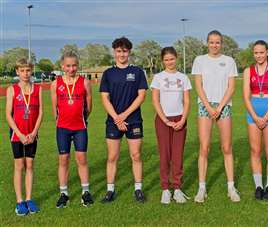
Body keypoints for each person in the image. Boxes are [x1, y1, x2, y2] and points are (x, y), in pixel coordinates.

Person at [192, 30, 240, 203]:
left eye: (218, 42)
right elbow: (198, 86)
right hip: (205, 106)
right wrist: (208, 106)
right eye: (211, 42)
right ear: (207, 43)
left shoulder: (229, 61)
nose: (214, 45)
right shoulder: (199, 60)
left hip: (223, 106)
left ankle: (231, 187)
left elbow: (231, 87)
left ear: (222, 43)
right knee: (204, 147)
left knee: (226, 148)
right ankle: (201, 188)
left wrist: (219, 107)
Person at [100, 37, 148, 203]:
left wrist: (124, 115)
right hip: (113, 121)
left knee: (135, 155)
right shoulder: (108, 73)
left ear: (129, 52)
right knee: (112, 156)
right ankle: (110, 190)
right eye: (119, 51)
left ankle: (138, 189)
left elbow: (141, 96)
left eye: (125, 51)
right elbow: (105, 99)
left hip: (133, 120)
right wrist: (116, 118)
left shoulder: (137, 72)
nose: (122, 54)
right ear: (114, 52)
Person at [50, 51, 93, 208]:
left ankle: (85, 192)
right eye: (68, 66)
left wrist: (81, 119)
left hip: (80, 127)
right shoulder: (56, 83)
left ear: (78, 65)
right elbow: (54, 108)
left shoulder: (85, 82)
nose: (71, 68)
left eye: (74, 65)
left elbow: (89, 106)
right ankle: (64, 193)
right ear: (62, 66)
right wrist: (60, 121)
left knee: (81, 159)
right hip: (62, 128)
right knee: (63, 160)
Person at [151, 47, 192, 204]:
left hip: (179, 119)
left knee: (177, 155)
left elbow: (187, 101)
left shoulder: (183, 77)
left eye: (172, 59)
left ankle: (177, 188)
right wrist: (166, 120)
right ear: (163, 61)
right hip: (163, 120)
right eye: (166, 60)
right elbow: (155, 100)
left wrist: (182, 119)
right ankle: (165, 189)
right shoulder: (158, 77)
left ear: (176, 58)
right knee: (165, 154)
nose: (169, 62)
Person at [243, 40, 268, 200]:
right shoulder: (248, 71)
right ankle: (258, 185)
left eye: (261, 52)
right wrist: (255, 116)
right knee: (255, 151)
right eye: (256, 52)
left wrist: (265, 117)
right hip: (253, 113)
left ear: (267, 52)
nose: (258, 55)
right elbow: (246, 97)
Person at [6, 58, 43, 215]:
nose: (25, 73)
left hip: (32, 134)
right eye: (22, 70)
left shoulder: (38, 89)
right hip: (17, 135)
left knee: (30, 166)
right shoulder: (12, 89)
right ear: (17, 71)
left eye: (28, 70)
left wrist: (34, 132)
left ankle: (29, 199)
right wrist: (20, 134)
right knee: (19, 166)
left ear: (31, 70)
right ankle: (19, 201)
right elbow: (8, 115)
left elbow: (41, 112)